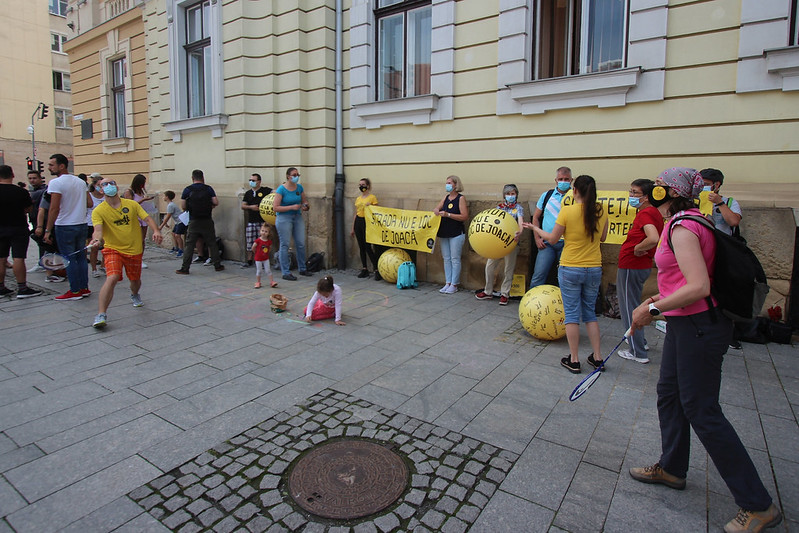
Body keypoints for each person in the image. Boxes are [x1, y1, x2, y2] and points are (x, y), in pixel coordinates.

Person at [629, 167, 782, 533]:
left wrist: (653, 309)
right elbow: (683, 278)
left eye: (660, 186)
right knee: (669, 394)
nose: (653, 190)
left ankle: (757, 504)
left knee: (702, 409)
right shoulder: (684, 221)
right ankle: (672, 467)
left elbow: (698, 286)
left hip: (700, 327)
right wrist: (656, 298)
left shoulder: (683, 227)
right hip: (685, 324)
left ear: (672, 192)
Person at [524, 175, 608, 374]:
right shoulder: (601, 210)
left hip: (570, 266)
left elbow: (552, 239)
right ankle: (597, 357)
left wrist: (535, 228)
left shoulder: (567, 211)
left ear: (575, 191)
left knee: (571, 314)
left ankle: (575, 359)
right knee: (590, 313)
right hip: (593, 267)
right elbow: (603, 237)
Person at [90, 177, 163, 328]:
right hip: (113, 249)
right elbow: (98, 230)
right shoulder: (98, 211)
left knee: (135, 280)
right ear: (100, 190)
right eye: (104, 184)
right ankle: (101, 315)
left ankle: (135, 294)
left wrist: (156, 230)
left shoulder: (131, 205)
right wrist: (96, 240)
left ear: (117, 187)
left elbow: (147, 219)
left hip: (134, 249)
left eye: (112, 183)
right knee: (112, 277)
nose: (109, 186)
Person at [615, 179, 663, 364]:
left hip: (632, 265)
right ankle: (640, 341)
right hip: (637, 265)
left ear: (647, 197)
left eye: (635, 193)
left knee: (629, 308)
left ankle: (637, 351)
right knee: (633, 304)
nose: (631, 196)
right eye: (631, 191)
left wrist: (637, 248)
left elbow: (653, 238)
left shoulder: (647, 213)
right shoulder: (653, 213)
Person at [699, 168, 746, 351]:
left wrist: (719, 203)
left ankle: (727, 333)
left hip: (723, 254)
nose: (702, 187)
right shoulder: (696, 201)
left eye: (705, 184)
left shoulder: (730, 202)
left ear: (716, 185)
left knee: (723, 292)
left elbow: (734, 221)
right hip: (701, 253)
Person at [44, 154, 92, 301]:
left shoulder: (55, 183)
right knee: (81, 258)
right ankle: (84, 288)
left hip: (65, 225)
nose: (49, 167)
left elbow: (54, 208)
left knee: (69, 258)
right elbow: (90, 203)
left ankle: (75, 291)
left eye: (51, 165)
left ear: (62, 166)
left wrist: (47, 230)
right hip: (81, 223)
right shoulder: (80, 182)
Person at [474, 184, 524, 305]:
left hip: (511, 242)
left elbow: (521, 223)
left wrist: (519, 232)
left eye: (513, 194)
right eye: (508, 194)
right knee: (489, 266)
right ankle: (488, 291)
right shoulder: (499, 208)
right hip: (497, 243)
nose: (510, 196)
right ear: (504, 195)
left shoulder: (518, 208)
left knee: (508, 269)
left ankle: (505, 293)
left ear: (516, 195)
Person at [0, 165, 42, 299]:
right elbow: (29, 209)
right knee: (18, 257)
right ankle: (22, 288)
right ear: (12, 175)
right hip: (18, 227)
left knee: (1, 258)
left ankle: (1, 288)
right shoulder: (21, 192)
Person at [529, 167, 573, 289]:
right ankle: (532, 299)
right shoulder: (547, 196)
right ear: (556, 180)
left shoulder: (575, 197)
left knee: (565, 279)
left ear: (571, 180)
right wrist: (537, 238)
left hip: (567, 244)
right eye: (560, 179)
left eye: (566, 179)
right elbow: (536, 217)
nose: (563, 182)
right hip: (547, 244)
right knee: (538, 275)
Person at [175, 169, 224, 274]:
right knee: (212, 243)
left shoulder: (187, 190)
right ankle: (217, 265)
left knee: (189, 245)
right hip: (207, 219)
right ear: (203, 178)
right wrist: (210, 206)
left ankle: (185, 268)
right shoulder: (208, 188)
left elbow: (183, 206)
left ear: (192, 178)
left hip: (194, 220)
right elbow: (216, 202)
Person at [273, 167, 310, 280]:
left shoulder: (299, 187)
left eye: (298, 175)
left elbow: (304, 200)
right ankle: (285, 272)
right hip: (284, 218)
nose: (296, 177)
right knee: (285, 244)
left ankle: (302, 268)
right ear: (288, 176)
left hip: (297, 216)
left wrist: (306, 206)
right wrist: (291, 207)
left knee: (301, 243)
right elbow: (275, 207)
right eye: (294, 175)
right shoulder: (281, 189)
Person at [433, 175, 468, 294]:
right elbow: (437, 208)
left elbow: (464, 216)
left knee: (455, 258)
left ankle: (454, 283)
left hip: (456, 232)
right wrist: (436, 210)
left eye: (449, 183)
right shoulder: (446, 197)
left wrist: (448, 215)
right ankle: (448, 282)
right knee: (446, 258)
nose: (447, 185)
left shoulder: (460, 198)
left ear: (455, 185)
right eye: (446, 183)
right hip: (445, 232)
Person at [124, 174, 157, 269]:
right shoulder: (129, 192)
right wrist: (143, 200)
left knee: (142, 239)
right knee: (135, 239)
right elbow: (129, 205)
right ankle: (132, 257)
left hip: (143, 217)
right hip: (135, 218)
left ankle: (140, 259)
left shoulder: (141, 191)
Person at [241, 173, 272, 268]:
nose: (251, 182)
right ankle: (249, 260)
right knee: (250, 241)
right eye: (250, 180)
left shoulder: (265, 190)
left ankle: (263, 259)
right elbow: (243, 205)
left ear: (259, 181)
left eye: (253, 180)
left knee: (263, 242)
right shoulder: (248, 193)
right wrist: (251, 207)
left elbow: (275, 192)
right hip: (251, 221)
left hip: (262, 221)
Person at [351, 177, 380, 279]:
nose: (361, 187)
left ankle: (376, 269)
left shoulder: (372, 197)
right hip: (359, 221)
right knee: (361, 247)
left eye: (363, 185)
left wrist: (370, 206)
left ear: (368, 186)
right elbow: (356, 213)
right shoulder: (358, 199)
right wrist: (353, 228)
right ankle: (364, 268)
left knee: (368, 247)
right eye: (360, 185)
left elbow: (377, 211)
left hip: (367, 222)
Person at [27, 169, 48, 272]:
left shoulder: (42, 191)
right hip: (35, 220)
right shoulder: (35, 191)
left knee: (43, 242)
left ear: (40, 179)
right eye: (30, 178)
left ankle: (43, 263)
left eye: (34, 178)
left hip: (42, 221)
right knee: (41, 242)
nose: (32, 180)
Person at [87, 173, 105, 278]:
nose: (101, 187)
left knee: (107, 247)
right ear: (94, 185)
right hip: (91, 224)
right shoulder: (90, 196)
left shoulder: (106, 196)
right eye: (99, 185)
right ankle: (94, 269)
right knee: (94, 248)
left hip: (105, 224)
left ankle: (103, 266)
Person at [251, 223, 277, 289]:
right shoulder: (258, 240)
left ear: (268, 233)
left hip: (266, 258)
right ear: (260, 231)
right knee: (259, 271)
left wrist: (267, 253)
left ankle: (272, 281)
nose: (264, 233)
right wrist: (256, 253)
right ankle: (258, 282)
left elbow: (269, 248)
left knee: (268, 270)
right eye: (262, 231)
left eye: (266, 231)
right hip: (258, 259)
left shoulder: (269, 241)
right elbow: (253, 247)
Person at [159, 191, 184, 256]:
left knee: (177, 235)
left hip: (180, 221)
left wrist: (161, 225)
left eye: (164, 196)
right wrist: (165, 223)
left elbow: (168, 216)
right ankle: (176, 247)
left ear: (167, 197)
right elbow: (168, 216)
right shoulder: (170, 205)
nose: (163, 197)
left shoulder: (171, 205)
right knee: (173, 234)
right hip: (177, 222)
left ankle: (181, 250)